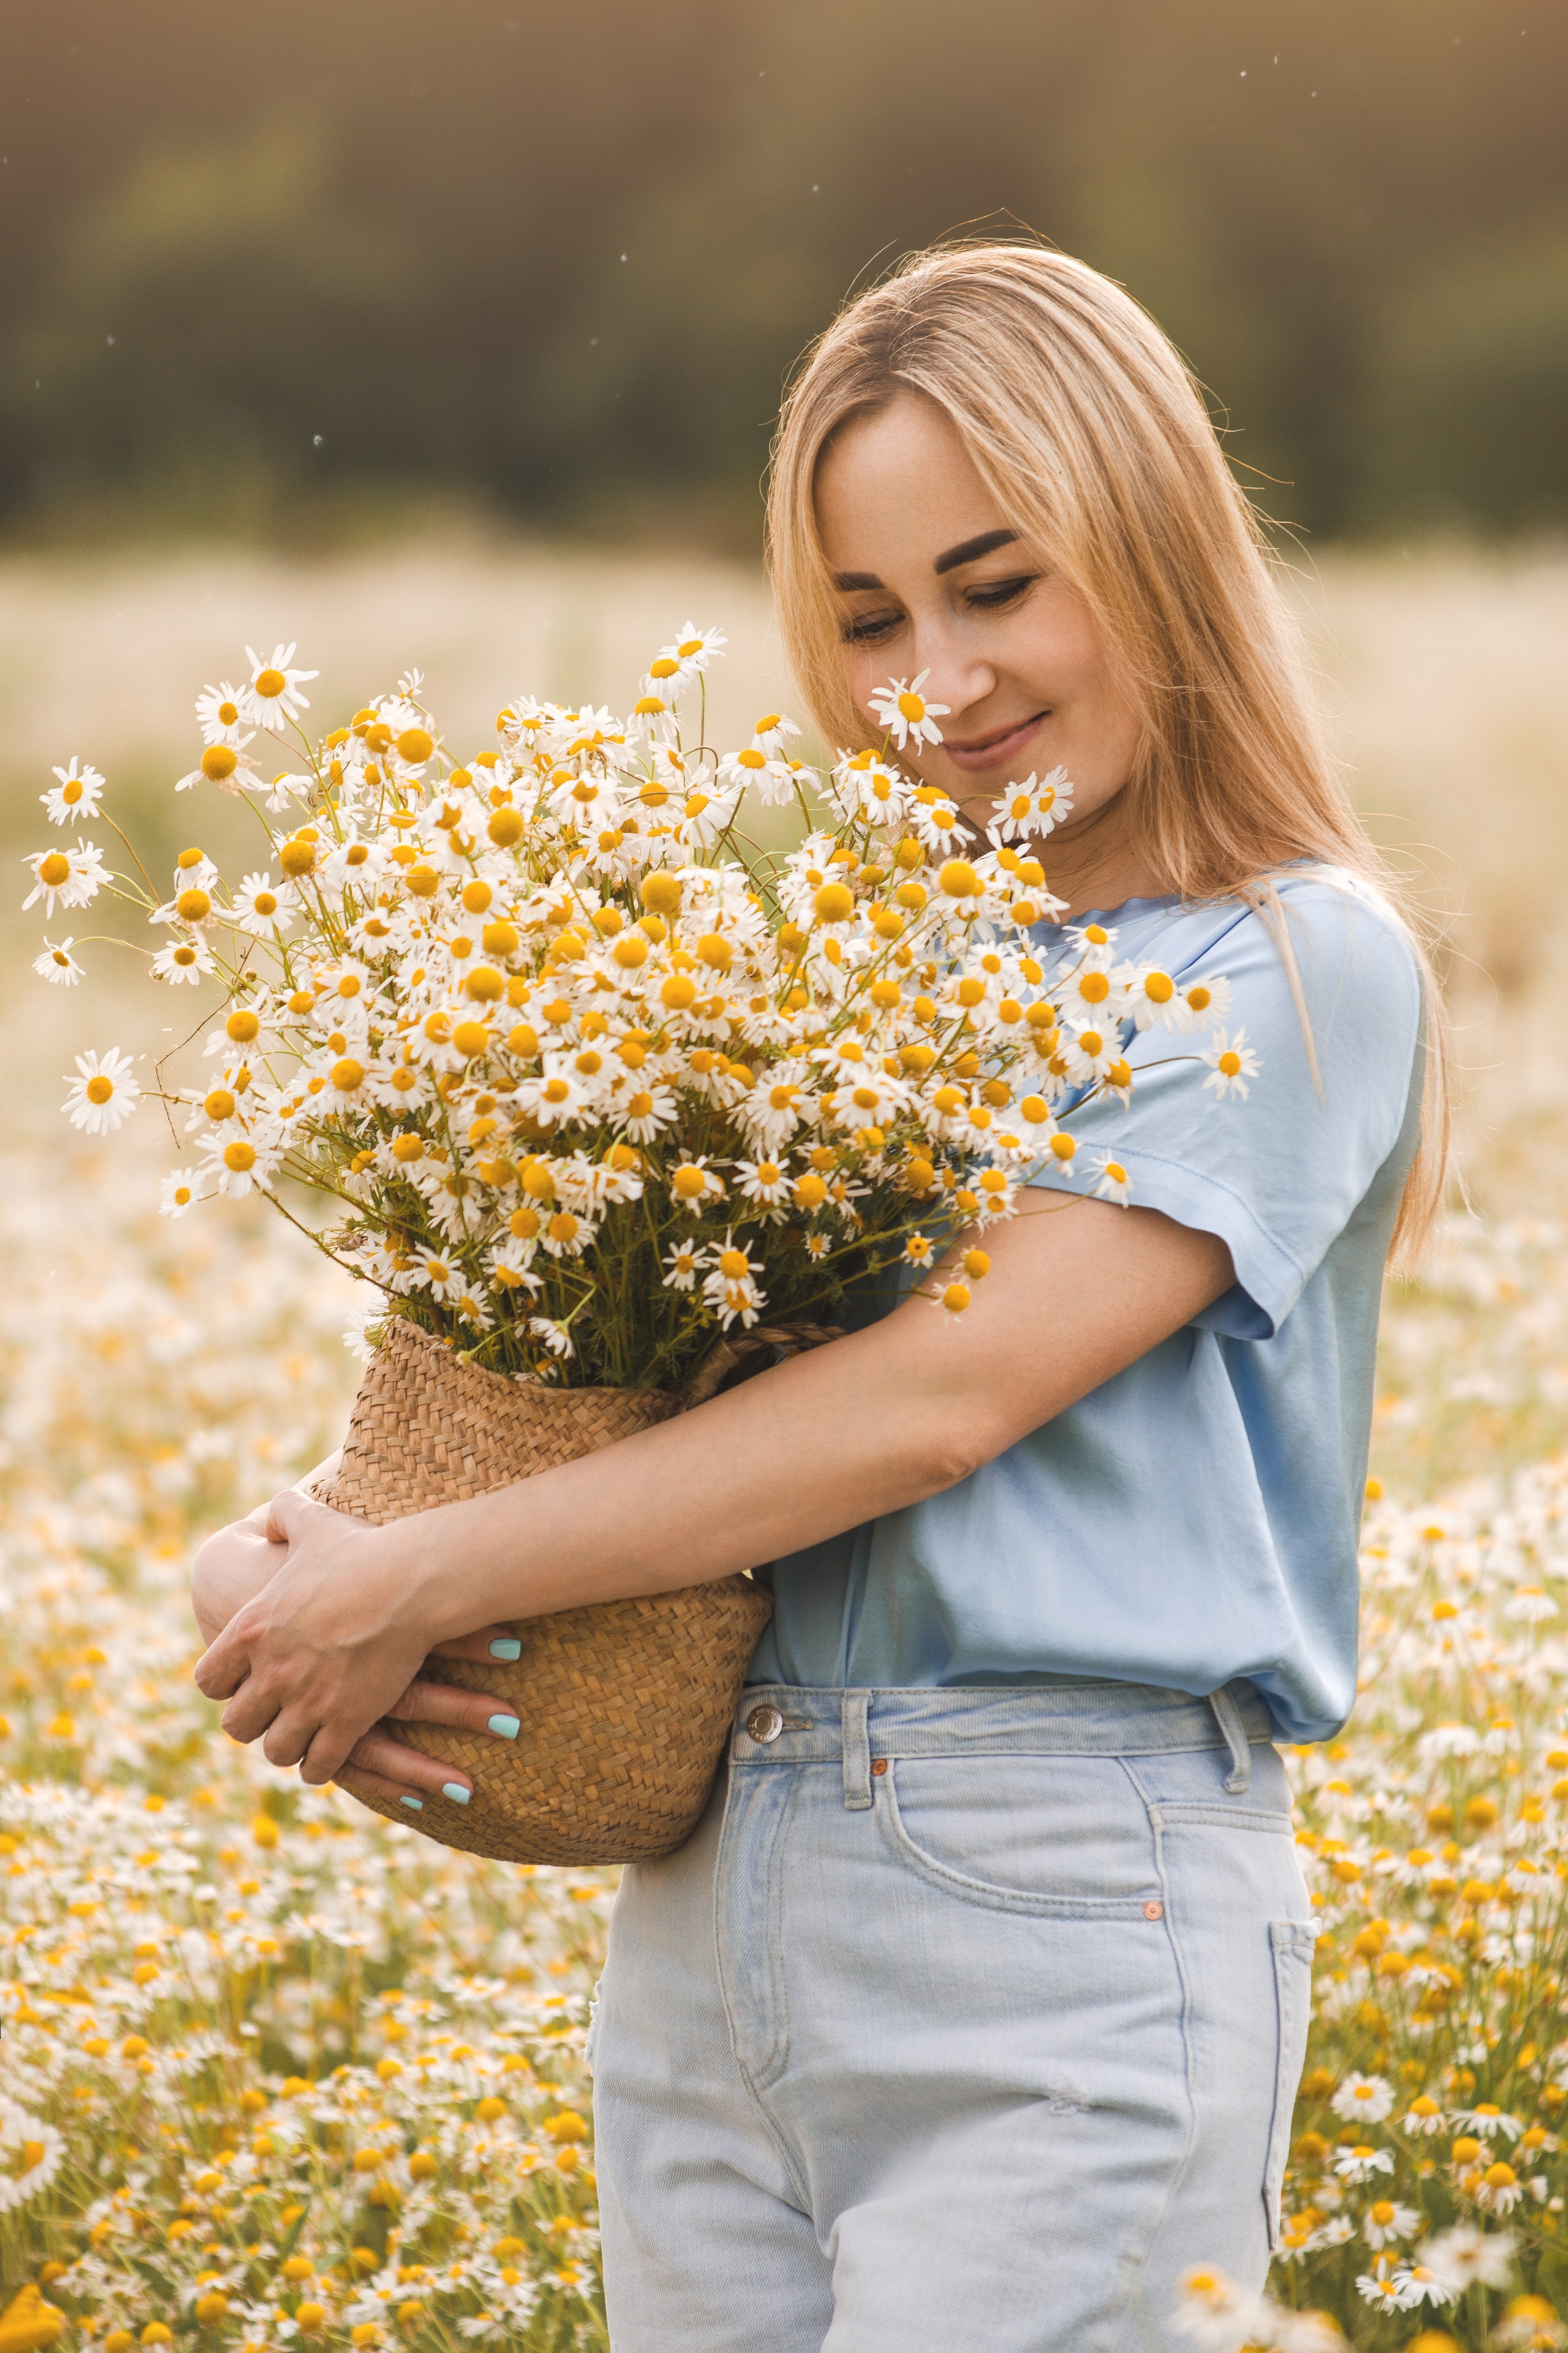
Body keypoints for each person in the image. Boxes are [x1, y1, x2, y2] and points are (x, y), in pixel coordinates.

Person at [190, 243, 1442, 2350]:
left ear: (1151, 549)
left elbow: (920, 1410)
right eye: (867, 617)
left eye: (996, 582)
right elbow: (610, 1405)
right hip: (711, 1914)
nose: (931, 679)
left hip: (1059, 1908)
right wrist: (284, 1564)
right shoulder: (843, 994)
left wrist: (411, 1582)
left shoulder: (1284, 964)